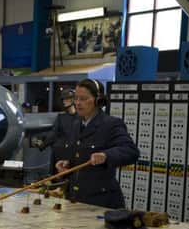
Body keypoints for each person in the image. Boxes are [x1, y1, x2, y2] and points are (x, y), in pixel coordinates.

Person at [54, 78, 139, 208]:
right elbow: (79, 156)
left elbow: (131, 151)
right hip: (76, 200)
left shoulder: (111, 124)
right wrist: (68, 165)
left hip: (101, 202)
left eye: (83, 99)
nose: (77, 103)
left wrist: (106, 155)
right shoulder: (76, 124)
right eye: (76, 98)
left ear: (98, 100)